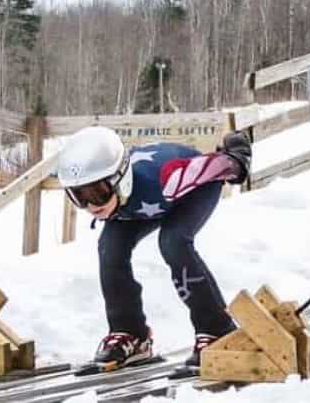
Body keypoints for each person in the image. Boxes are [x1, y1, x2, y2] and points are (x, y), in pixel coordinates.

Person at [57, 126, 253, 371]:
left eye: (98, 192)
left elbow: (220, 166)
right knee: (109, 248)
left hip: (189, 193)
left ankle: (217, 330)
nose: (91, 205)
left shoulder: (167, 175)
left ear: (121, 179)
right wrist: (103, 197)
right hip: (137, 205)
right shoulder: (112, 199)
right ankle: (130, 334)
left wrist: (236, 156)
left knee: (173, 242)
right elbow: (104, 206)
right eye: (78, 196)